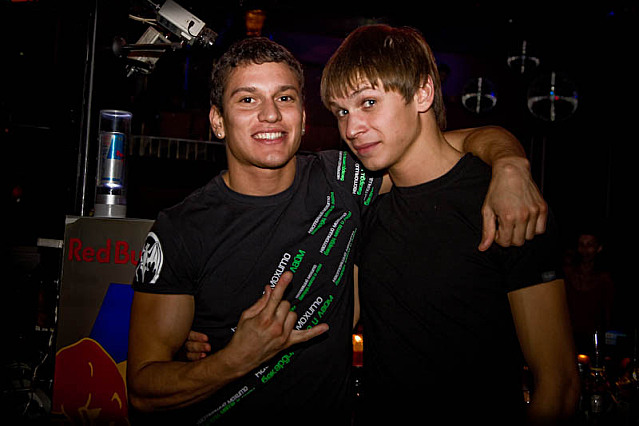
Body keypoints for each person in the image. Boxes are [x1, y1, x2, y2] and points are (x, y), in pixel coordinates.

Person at [127, 36, 547, 425]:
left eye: (285, 98)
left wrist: (510, 163)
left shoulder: (343, 178)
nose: (270, 114)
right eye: (248, 99)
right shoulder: (179, 229)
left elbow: (442, 145)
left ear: (303, 118)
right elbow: (143, 389)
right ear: (218, 121)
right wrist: (232, 361)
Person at [319, 24, 580, 425]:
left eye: (368, 102)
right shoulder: (366, 205)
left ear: (423, 93)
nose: (351, 129)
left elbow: (558, 386)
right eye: (341, 112)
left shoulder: (503, 200)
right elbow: (332, 325)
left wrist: (509, 163)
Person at [564, 229, 615, 354]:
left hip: (593, 340)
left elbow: (608, 313)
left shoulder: (604, 279)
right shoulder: (567, 274)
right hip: (567, 337)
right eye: (581, 245)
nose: (585, 250)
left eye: (589, 245)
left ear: (599, 248)